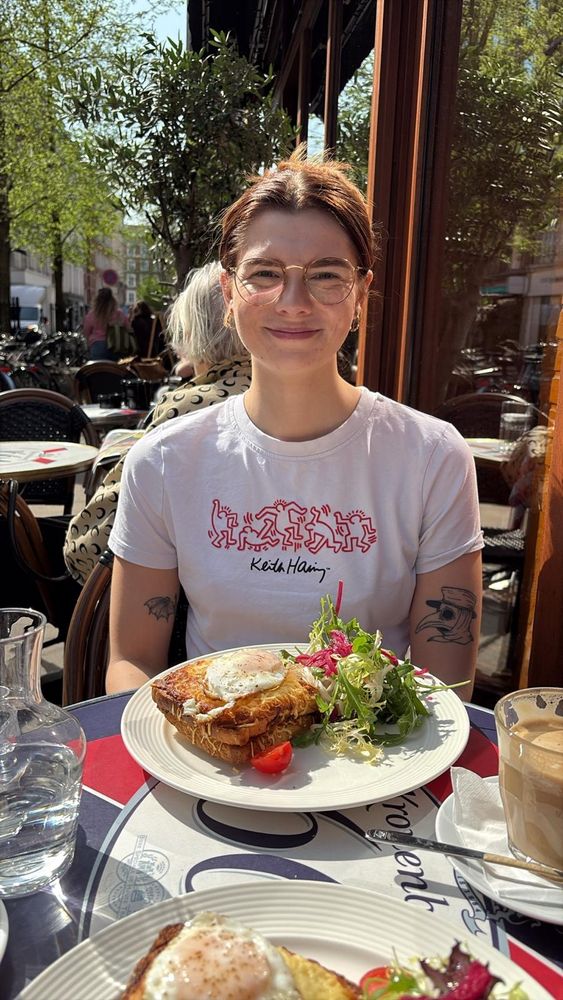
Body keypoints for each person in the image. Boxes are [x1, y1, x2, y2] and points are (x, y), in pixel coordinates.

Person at [106, 153, 483, 698]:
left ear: (359, 293)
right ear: (229, 291)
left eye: (327, 275)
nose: (293, 301)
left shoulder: (432, 457)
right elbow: (132, 662)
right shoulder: (164, 462)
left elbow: (447, 684)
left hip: (379, 759)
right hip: (216, 751)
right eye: (264, 273)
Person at [64, 262, 251, 584]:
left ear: (195, 329)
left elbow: (88, 550)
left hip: (173, 608)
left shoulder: (189, 410)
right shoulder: (288, 396)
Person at [83, 287, 131, 360]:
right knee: (115, 370)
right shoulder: (119, 314)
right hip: (116, 345)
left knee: (99, 369)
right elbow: (128, 328)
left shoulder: (92, 315)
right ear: (112, 300)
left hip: (97, 345)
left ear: (97, 300)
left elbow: (86, 332)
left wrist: (89, 344)